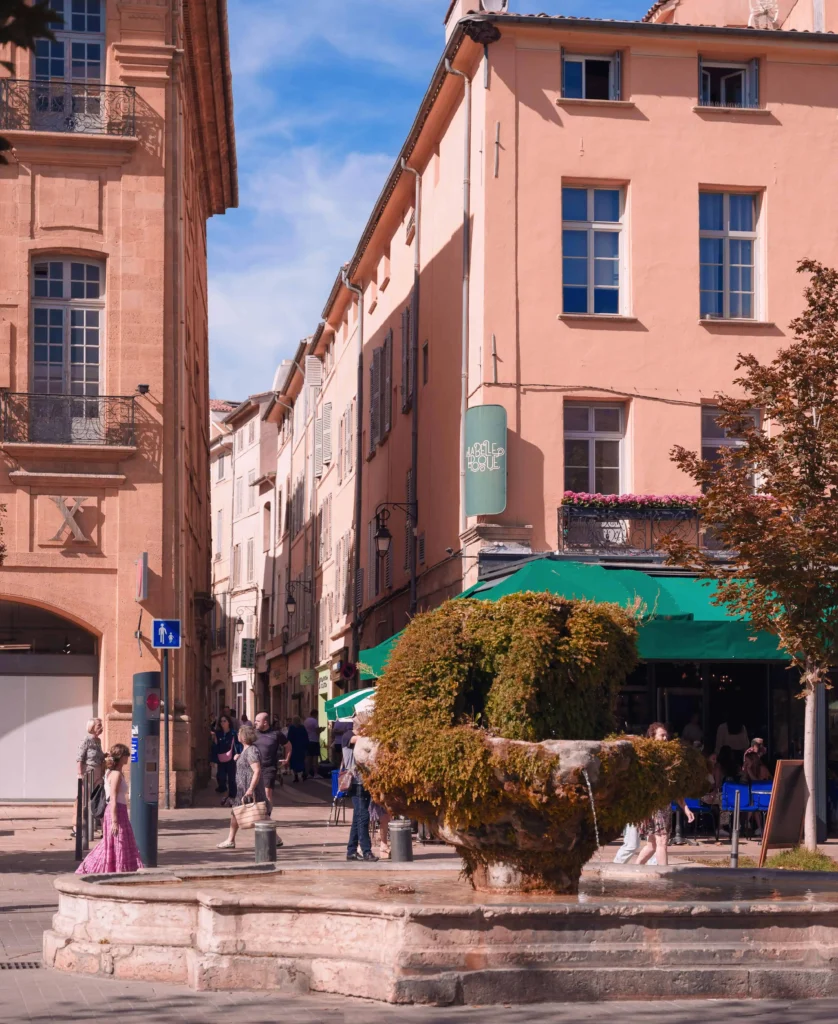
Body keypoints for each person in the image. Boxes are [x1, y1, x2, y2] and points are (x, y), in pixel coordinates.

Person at [76, 744, 143, 874]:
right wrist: (115, 821)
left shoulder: (110, 772)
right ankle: (90, 867)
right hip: (116, 811)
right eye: (126, 755)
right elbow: (112, 797)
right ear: (122, 757)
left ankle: (118, 869)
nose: (128, 758)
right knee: (117, 842)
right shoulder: (116, 774)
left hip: (118, 810)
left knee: (114, 843)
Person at [636, 723, 694, 868]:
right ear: (652, 737)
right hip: (655, 805)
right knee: (662, 841)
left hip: (664, 804)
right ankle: (665, 878)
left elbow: (673, 787)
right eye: (661, 735)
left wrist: (685, 807)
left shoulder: (668, 758)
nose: (665, 738)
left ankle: (633, 870)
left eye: (666, 735)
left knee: (652, 845)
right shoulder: (649, 758)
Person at [217, 725, 266, 850]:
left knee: (252, 813)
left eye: (239, 733)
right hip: (242, 788)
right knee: (259, 814)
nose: (237, 735)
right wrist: (238, 757)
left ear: (243, 736)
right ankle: (275, 838)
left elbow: (257, 770)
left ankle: (230, 840)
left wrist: (250, 789)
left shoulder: (251, 751)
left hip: (248, 789)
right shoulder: (246, 750)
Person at [341, 722, 378, 862]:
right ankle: (366, 851)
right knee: (363, 817)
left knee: (358, 817)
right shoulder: (348, 736)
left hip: (364, 783)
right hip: (356, 783)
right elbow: (361, 740)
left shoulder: (359, 737)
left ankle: (351, 851)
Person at [253, 713, 288, 826]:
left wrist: (287, 759)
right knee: (256, 793)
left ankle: (267, 816)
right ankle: (258, 815)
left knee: (267, 793)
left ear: (265, 722)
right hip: (255, 768)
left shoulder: (276, 734)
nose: (255, 723)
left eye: (257, 721)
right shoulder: (253, 734)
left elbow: (288, 745)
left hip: (269, 767)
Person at [213, 714, 240, 807]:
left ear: (229, 722)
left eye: (225, 721)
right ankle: (223, 790)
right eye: (221, 721)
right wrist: (213, 759)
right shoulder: (218, 733)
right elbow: (215, 746)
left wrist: (238, 754)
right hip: (221, 758)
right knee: (221, 776)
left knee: (232, 778)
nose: (222, 723)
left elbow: (237, 744)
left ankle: (232, 797)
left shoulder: (233, 733)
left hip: (231, 758)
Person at [286, 716, 309, 783]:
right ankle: (303, 773)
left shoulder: (292, 728)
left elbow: (289, 738)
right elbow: (306, 737)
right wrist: (306, 746)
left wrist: (288, 746)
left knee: (294, 761)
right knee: (302, 760)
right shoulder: (302, 727)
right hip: (301, 747)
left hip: (294, 747)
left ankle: (296, 776)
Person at [303, 709, 323, 779]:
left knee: (308, 758)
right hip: (314, 741)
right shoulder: (315, 721)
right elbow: (317, 731)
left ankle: (307, 773)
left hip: (308, 741)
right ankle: (315, 773)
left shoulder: (306, 721)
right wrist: (321, 730)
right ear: (315, 714)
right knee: (315, 758)